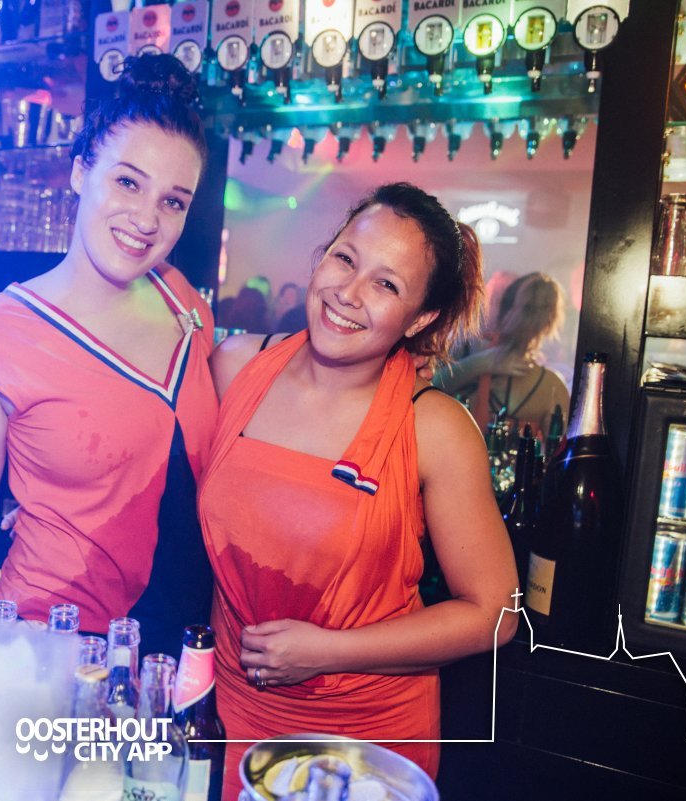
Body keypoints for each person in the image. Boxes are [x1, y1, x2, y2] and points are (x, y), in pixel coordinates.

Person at [199, 183, 519, 794]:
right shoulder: (236, 367)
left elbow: (495, 614)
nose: (348, 292)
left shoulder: (433, 427)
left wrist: (326, 651)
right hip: (230, 711)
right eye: (345, 258)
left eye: (386, 284)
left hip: (361, 743)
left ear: (419, 319)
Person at [0, 54, 217, 659]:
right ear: (80, 172)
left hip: (176, 651)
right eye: (127, 182)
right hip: (53, 647)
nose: (146, 219)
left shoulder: (182, 301)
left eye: (174, 201)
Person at [434, 271, 570, 438]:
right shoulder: (462, 346)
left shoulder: (551, 385)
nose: (493, 305)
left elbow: (556, 445)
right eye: (492, 298)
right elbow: (425, 391)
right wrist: (479, 363)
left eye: (500, 299)